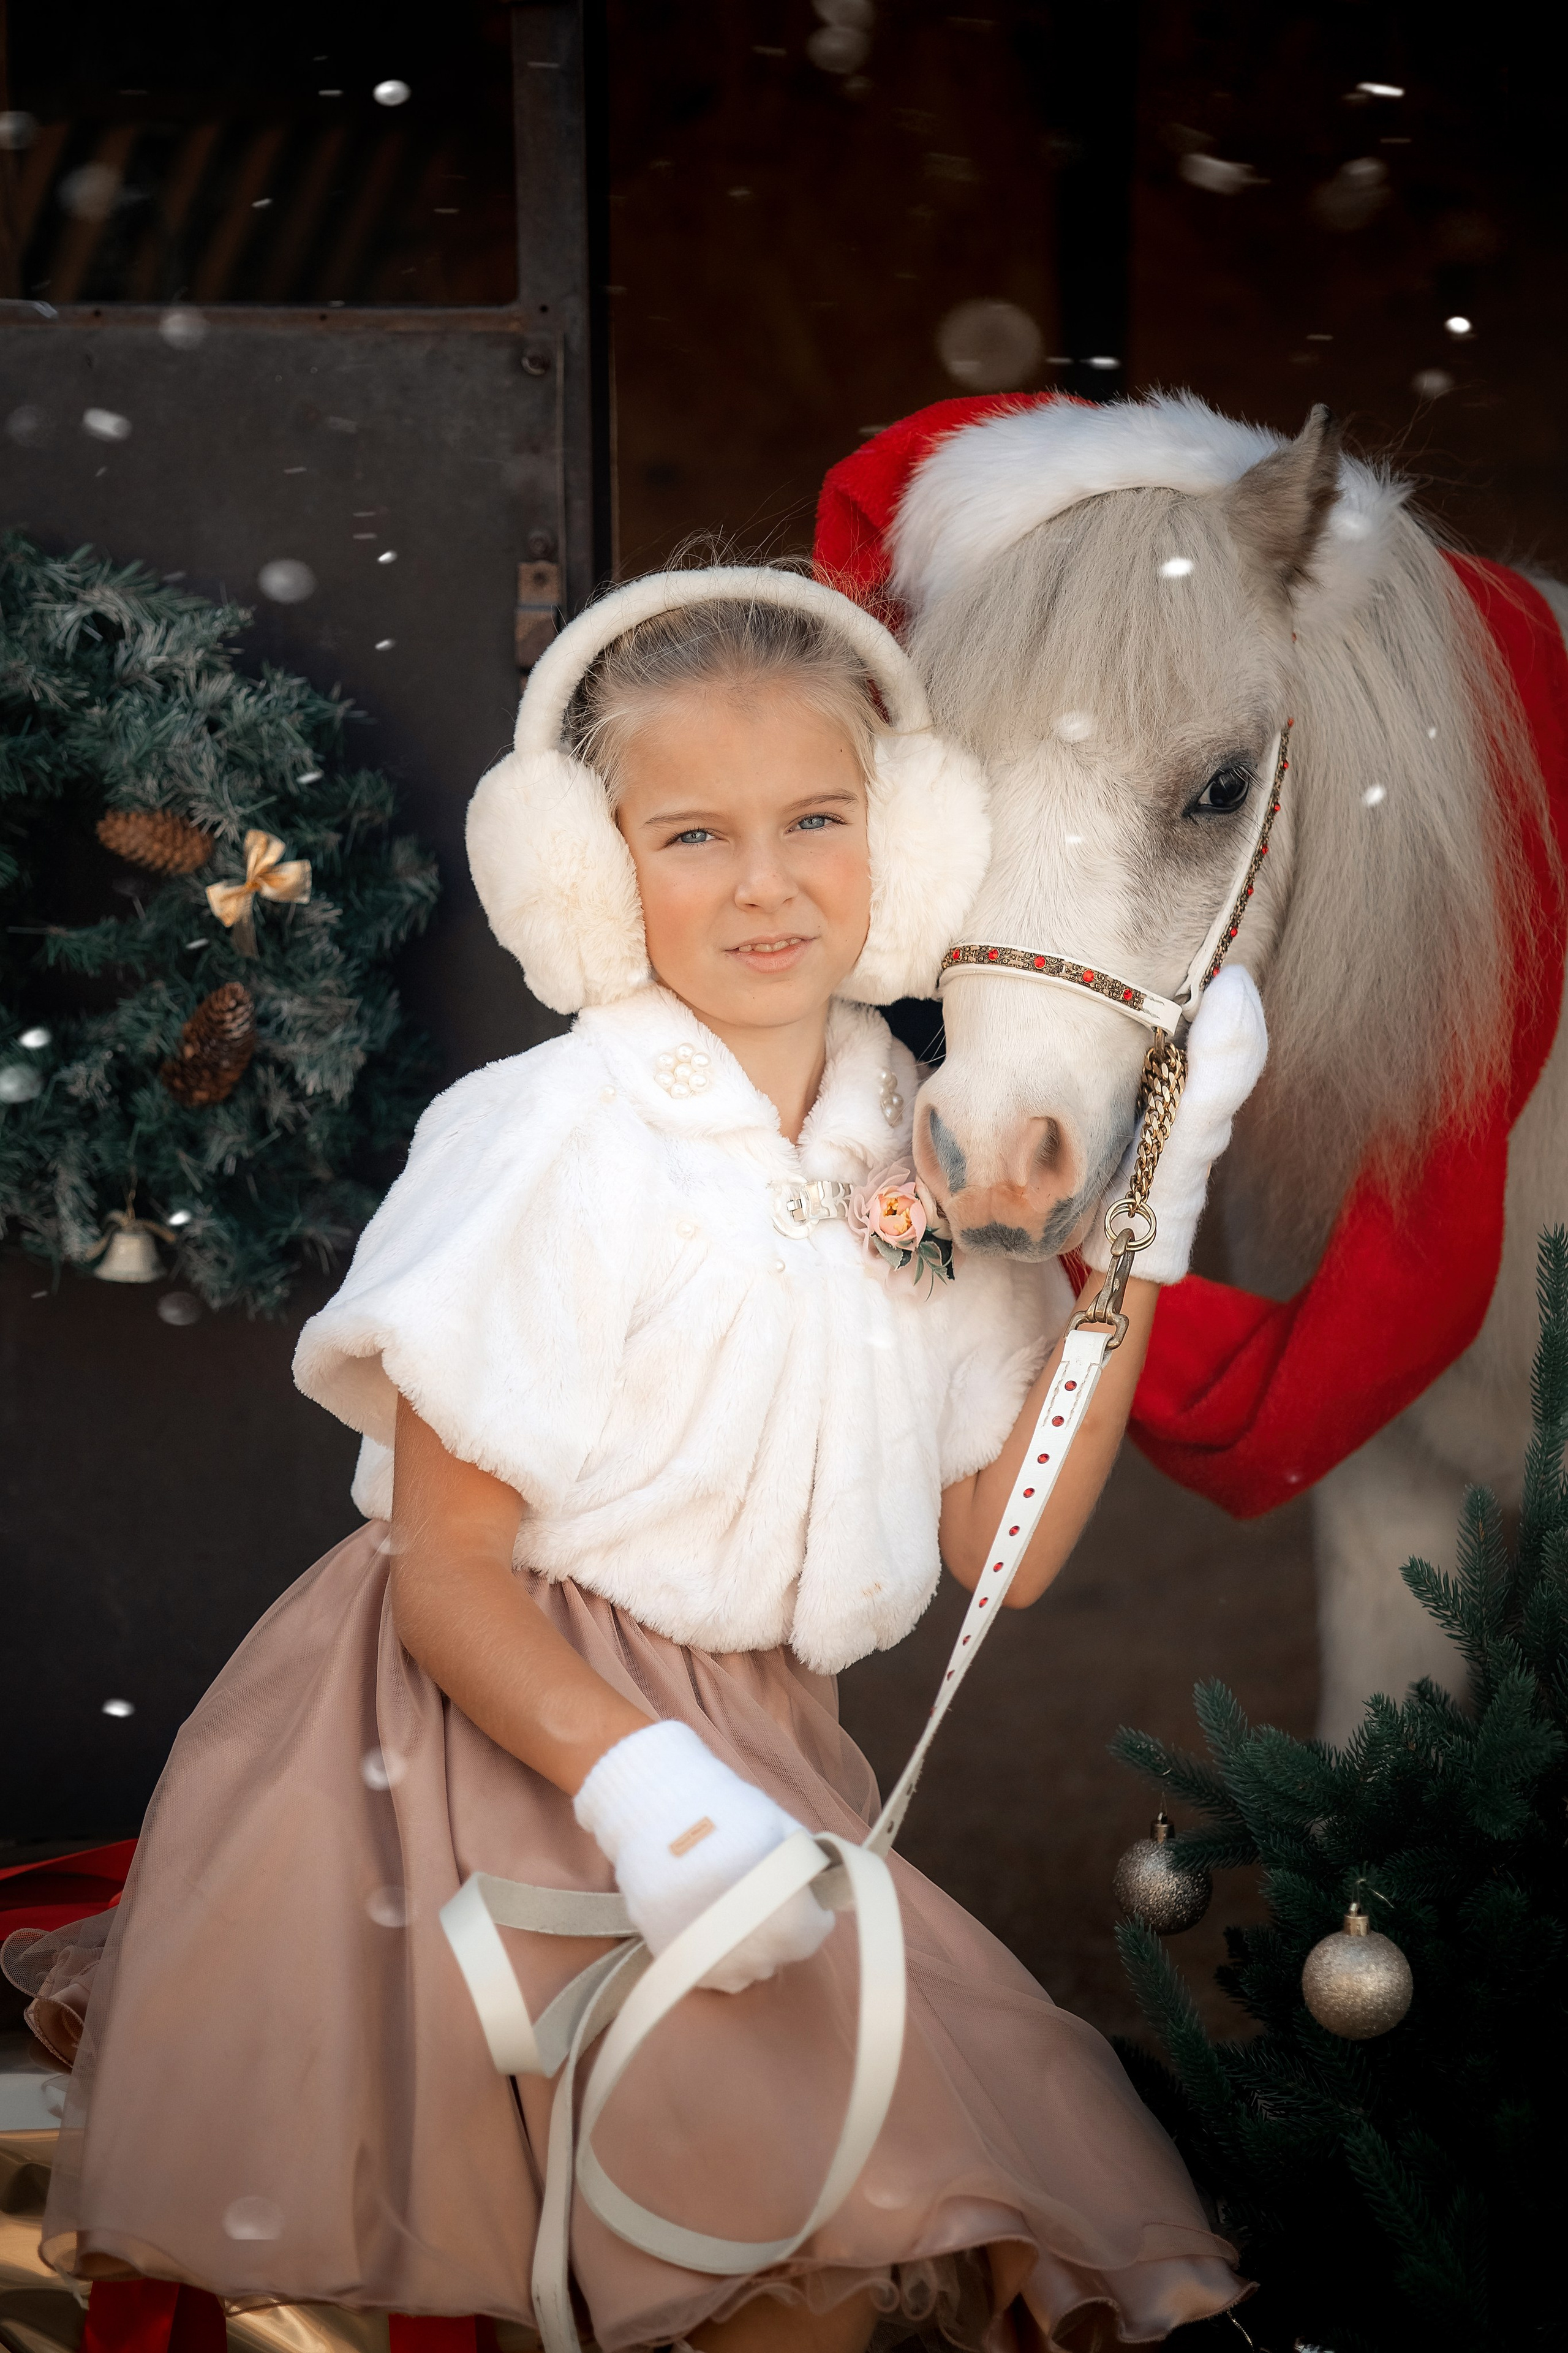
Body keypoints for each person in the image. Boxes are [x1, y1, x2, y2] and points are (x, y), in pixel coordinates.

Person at [29, 567, 1265, 2353]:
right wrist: (646, 1791)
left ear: (907, 846)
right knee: (731, 2217)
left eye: (817, 821)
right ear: (591, 876)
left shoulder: (904, 1142)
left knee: (839, 2235)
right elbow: (448, 1570)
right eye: (693, 835)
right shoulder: (548, 1137)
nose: (764, 882)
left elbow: (1007, 1546)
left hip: (764, 1742)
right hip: (492, 1732)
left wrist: (1149, 1221)